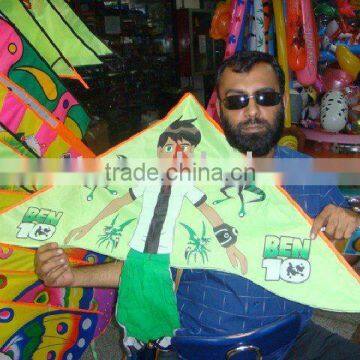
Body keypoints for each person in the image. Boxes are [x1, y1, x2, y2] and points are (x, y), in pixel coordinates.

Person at [35, 51, 360, 359]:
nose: (252, 111)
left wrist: (352, 219)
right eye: (237, 101)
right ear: (219, 109)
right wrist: (71, 277)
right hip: (198, 349)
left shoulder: (308, 174)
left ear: (283, 101)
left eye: (265, 97)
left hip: (292, 342)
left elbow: (345, 252)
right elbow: (147, 266)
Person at [63, 118, 247, 353]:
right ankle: (134, 335)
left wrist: (230, 244)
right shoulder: (148, 179)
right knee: (132, 292)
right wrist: (88, 225)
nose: (175, 155)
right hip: (137, 248)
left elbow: (208, 210)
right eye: (169, 148)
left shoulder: (185, 183)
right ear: (159, 151)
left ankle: (164, 337)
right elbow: (120, 201)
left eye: (184, 150)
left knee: (162, 294)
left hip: (162, 252)